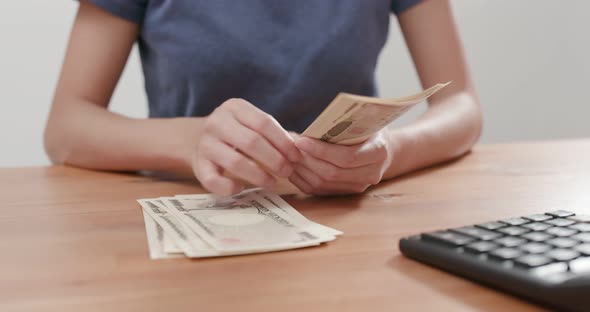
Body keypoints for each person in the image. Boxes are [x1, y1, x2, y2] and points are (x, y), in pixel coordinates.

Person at [44, 0, 482, 196]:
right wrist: (192, 141)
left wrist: (389, 152)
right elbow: (66, 127)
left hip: (345, 219)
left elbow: (461, 106)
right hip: (193, 210)